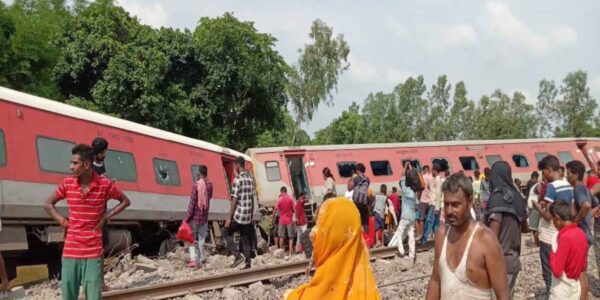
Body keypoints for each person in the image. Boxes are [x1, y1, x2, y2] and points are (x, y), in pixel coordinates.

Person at [44, 144, 130, 300]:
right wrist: (62, 221)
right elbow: (48, 204)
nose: (71, 167)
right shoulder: (67, 184)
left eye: (74, 163)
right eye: (71, 163)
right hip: (71, 250)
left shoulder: (105, 185)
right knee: (68, 295)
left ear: (86, 164)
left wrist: (106, 216)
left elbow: (125, 201)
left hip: (93, 252)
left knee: (93, 296)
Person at [426, 173, 509, 300]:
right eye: (446, 204)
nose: (449, 211)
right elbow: (436, 281)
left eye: (455, 205)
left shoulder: (485, 240)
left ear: (470, 202)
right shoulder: (442, 235)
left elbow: (503, 295)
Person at [285, 197, 381, 300]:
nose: (314, 233)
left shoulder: (325, 280)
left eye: (322, 227)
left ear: (333, 236)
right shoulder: (366, 283)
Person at [532, 155, 574, 295]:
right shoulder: (568, 184)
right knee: (562, 272)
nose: (543, 176)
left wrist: (537, 206)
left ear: (549, 170)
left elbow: (548, 216)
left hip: (549, 236)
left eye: (543, 172)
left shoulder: (551, 187)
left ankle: (552, 295)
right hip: (564, 234)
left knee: (548, 272)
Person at [486, 161, 528, 299]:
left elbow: (492, 237)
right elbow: (525, 228)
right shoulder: (518, 197)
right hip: (513, 261)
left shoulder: (497, 197)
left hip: (498, 264)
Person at [549, 200, 588, 300]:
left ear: (557, 219)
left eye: (552, 220)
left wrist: (552, 254)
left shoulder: (562, 237)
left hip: (561, 290)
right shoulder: (581, 233)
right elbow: (583, 267)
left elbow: (557, 271)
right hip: (575, 287)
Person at [565, 160, 593, 298]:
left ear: (576, 174)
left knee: (580, 273)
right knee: (582, 272)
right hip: (585, 234)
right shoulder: (584, 188)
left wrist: (576, 221)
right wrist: (588, 217)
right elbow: (595, 204)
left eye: (568, 173)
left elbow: (587, 205)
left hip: (582, 235)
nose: (566, 176)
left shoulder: (578, 188)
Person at [224, 156, 256, 269]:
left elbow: (234, 200)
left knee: (226, 232)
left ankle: (237, 256)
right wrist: (251, 216)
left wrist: (229, 218)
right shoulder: (250, 179)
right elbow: (252, 199)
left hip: (239, 216)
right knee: (245, 238)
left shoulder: (237, 180)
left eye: (235, 167)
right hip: (247, 216)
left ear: (237, 166)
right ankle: (248, 264)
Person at [90, 137, 110, 291]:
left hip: (102, 210)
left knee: (101, 248)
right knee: (93, 248)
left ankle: (100, 282)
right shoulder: (89, 167)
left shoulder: (101, 165)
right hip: (92, 212)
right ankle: (94, 283)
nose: (105, 155)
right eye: (103, 152)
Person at [183, 165, 212, 268]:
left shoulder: (196, 185)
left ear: (199, 173)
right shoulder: (210, 185)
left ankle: (193, 260)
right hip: (204, 216)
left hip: (195, 217)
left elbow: (192, 203)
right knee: (202, 238)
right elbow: (209, 198)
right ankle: (201, 259)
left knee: (191, 238)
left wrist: (186, 217)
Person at [395, 164, 418, 261]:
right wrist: (411, 168)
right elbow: (417, 204)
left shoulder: (405, 190)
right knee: (411, 234)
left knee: (399, 233)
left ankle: (401, 250)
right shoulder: (414, 191)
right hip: (412, 216)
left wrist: (405, 167)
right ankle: (412, 255)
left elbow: (402, 177)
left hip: (405, 216)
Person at [422, 164, 443, 244]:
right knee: (435, 224)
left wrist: (437, 207)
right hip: (435, 204)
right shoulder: (436, 180)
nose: (431, 172)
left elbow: (438, 194)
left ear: (435, 170)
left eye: (432, 170)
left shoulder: (438, 180)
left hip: (435, 205)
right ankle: (438, 240)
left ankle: (424, 240)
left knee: (429, 221)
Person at [273, 186, 295, 257]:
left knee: (281, 236)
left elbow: (275, 209)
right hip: (289, 220)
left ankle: (281, 253)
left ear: (281, 192)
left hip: (281, 220)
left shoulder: (279, 199)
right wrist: (296, 218)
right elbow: (294, 209)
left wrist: (272, 218)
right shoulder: (291, 198)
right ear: (286, 191)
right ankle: (290, 253)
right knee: (290, 237)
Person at [352, 163, 370, 232]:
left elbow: (349, 188)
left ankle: (358, 236)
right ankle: (367, 237)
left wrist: (352, 178)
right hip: (364, 202)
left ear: (357, 170)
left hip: (356, 202)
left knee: (357, 219)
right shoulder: (367, 179)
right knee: (365, 220)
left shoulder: (356, 178)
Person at [417, 165, 434, 241]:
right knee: (429, 218)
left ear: (424, 170)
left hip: (423, 200)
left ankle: (422, 234)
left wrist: (418, 197)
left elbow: (421, 188)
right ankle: (430, 234)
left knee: (421, 219)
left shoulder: (423, 177)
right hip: (430, 200)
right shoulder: (432, 177)